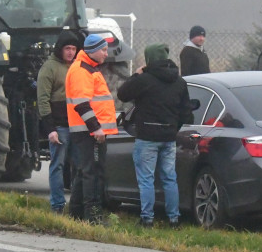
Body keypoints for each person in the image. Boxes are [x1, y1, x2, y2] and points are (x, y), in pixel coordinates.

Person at [117, 43, 193, 229]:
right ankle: (174, 219)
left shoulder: (144, 80)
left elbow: (123, 94)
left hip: (147, 137)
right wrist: (173, 128)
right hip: (168, 137)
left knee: (146, 179)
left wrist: (136, 74)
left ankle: (147, 219)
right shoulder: (180, 82)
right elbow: (187, 114)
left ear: (149, 59)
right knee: (169, 178)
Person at [65, 33, 118, 224]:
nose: (106, 54)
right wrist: (96, 128)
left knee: (85, 171)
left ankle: (77, 214)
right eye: (103, 50)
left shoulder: (88, 69)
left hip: (87, 131)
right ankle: (93, 217)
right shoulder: (82, 71)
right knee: (93, 173)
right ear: (93, 51)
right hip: (89, 132)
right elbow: (82, 104)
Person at [36, 30, 80, 214]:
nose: (70, 52)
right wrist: (50, 129)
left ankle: (77, 206)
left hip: (77, 126)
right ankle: (57, 205)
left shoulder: (77, 67)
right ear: (59, 49)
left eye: (73, 49)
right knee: (58, 166)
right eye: (67, 48)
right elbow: (43, 100)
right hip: (59, 127)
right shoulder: (49, 68)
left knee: (78, 166)